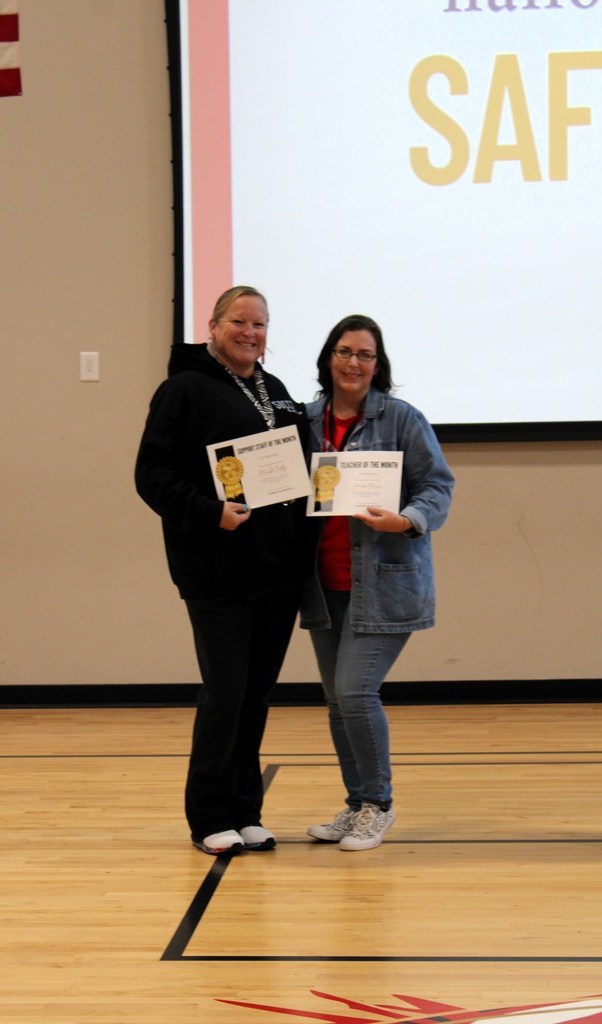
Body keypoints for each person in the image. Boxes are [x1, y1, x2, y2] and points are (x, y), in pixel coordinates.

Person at [135, 286, 311, 856]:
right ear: (213, 326)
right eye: (239, 321)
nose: (250, 332)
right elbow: (152, 474)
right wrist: (211, 513)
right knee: (226, 693)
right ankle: (209, 814)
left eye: (259, 324)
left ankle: (245, 810)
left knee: (256, 695)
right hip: (217, 573)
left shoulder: (275, 390)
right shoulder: (182, 389)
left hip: (277, 573)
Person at [300, 314, 454, 851]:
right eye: (345, 352)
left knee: (354, 691)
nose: (354, 363)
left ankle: (379, 806)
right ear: (328, 358)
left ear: (378, 364)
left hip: (385, 584)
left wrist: (407, 519)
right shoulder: (305, 418)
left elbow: (438, 487)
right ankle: (355, 804)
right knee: (337, 700)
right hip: (324, 584)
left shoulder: (402, 419)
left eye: (365, 355)